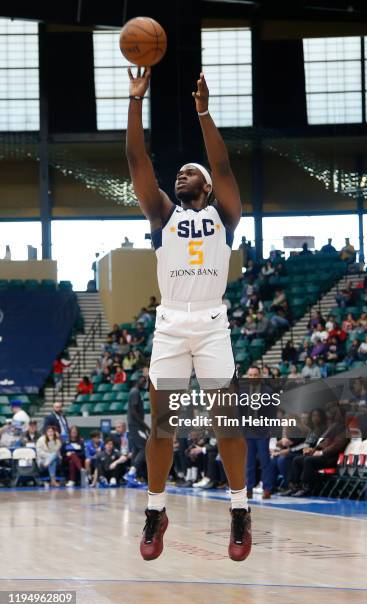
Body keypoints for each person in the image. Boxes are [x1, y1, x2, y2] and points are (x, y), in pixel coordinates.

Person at [126, 67, 250, 561]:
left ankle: (239, 511)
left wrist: (203, 113)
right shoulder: (162, 215)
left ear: (206, 184)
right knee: (162, 425)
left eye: (190, 171)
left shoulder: (225, 214)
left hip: (213, 324)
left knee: (228, 422)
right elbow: (137, 158)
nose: (183, 174)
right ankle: (156, 511)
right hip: (171, 323)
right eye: (179, 172)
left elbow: (224, 168)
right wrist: (136, 102)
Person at [243, 365, 274, 499]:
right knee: (248, 462)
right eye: (250, 375)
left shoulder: (268, 391)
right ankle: (248, 489)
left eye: (255, 375)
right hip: (247, 431)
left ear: (260, 375)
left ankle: (267, 489)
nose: (253, 377)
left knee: (264, 461)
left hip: (262, 431)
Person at [125, 380, 150, 486]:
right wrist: (145, 426)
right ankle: (131, 473)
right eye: (143, 381)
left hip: (135, 425)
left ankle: (132, 478)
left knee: (136, 449)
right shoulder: (135, 392)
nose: (145, 384)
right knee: (144, 448)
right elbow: (134, 411)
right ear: (138, 381)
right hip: (136, 425)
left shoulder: (135, 392)